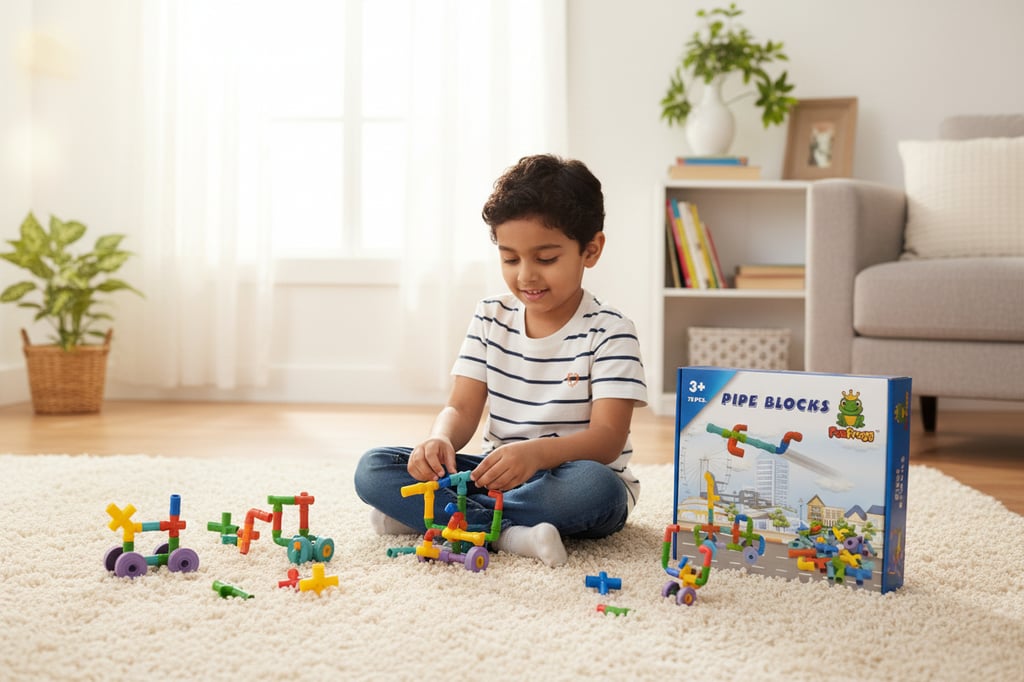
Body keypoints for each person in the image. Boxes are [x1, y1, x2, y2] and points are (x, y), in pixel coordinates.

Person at [353, 154, 647, 567]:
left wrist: (535, 455)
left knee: (596, 490)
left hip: (567, 476)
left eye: (545, 259)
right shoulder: (491, 316)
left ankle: (441, 520)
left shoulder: (611, 330)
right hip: (494, 476)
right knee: (374, 467)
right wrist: (440, 439)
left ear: (591, 250)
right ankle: (511, 534)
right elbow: (460, 406)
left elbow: (607, 439)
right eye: (510, 259)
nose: (526, 275)